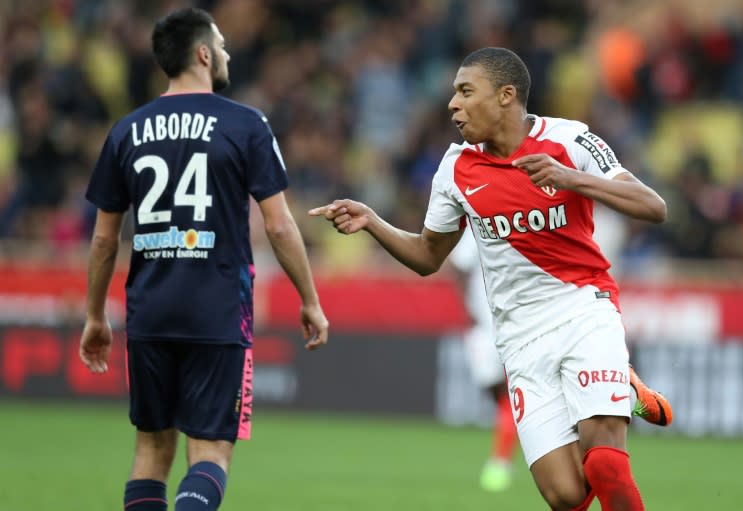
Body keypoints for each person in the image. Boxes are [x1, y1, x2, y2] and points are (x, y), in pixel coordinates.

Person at [310, 47, 671, 510]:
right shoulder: (456, 168)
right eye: (453, 94)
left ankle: (615, 381)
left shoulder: (570, 140)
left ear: (505, 95)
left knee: (605, 463)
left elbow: (653, 207)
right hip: (519, 339)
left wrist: (569, 178)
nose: (452, 104)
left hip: (584, 310)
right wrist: (374, 222)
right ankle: (626, 386)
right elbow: (427, 256)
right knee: (566, 494)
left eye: (465, 91)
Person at [79, 8, 329, 511]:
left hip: (148, 310)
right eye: (221, 43)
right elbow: (279, 224)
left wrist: (93, 315)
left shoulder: (127, 130)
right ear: (202, 53)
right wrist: (310, 299)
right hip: (216, 308)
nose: (228, 52)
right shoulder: (245, 123)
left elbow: (105, 241)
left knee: (150, 450)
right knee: (210, 451)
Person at [448, 228, 518, 492]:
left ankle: (500, 461)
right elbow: (457, 266)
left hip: (519, 324)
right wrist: (467, 306)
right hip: (485, 325)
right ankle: (508, 449)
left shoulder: (532, 220)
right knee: (497, 391)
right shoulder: (481, 222)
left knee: (511, 394)